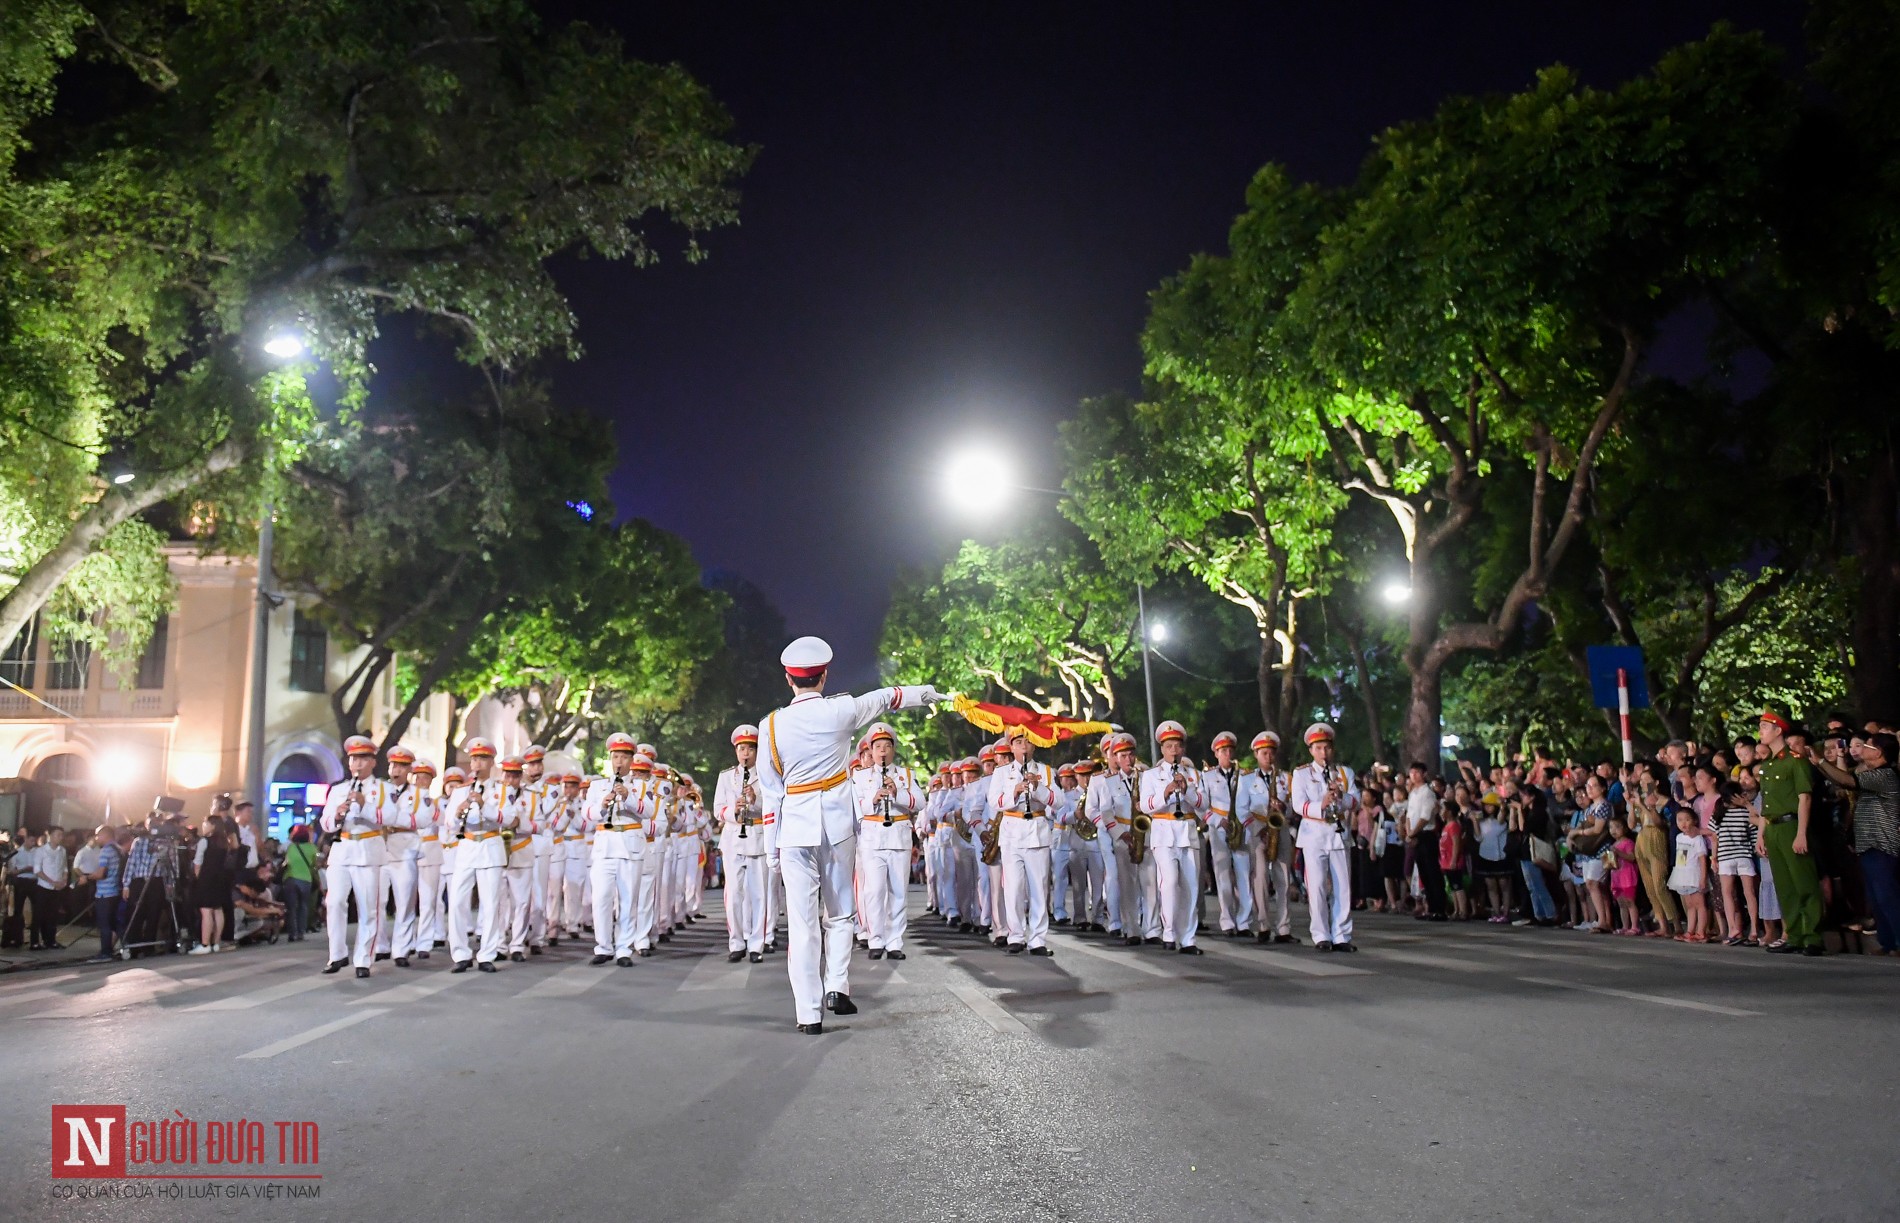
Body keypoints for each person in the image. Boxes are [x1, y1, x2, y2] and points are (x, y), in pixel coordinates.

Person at [753, 636, 945, 1035]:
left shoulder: (769, 725)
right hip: (837, 824)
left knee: (803, 926)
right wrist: (927, 695)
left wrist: (771, 848)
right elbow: (886, 698)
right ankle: (836, 986)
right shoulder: (840, 710)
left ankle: (808, 1013)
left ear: (789, 679)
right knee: (840, 913)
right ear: (823, 677)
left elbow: (770, 792)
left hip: (794, 829)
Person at [1811, 730, 1900, 955]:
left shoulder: (1884, 775)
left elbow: (1847, 780)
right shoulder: (1872, 775)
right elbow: (1842, 780)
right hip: (1868, 844)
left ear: (1878, 752)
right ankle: (1888, 941)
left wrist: (1821, 760)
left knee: (1886, 894)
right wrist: (1821, 766)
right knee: (1875, 897)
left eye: (1867, 746)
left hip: (1883, 844)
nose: (1861, 750)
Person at [318, 736, 394, 977]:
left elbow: (390, 818)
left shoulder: (384, 788)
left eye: (362, 759)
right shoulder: (339, 789)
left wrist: (364, 805)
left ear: (372, 762)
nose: (357, 764)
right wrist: (338, 816)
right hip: (342, 851)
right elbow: (325, 822)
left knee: (368, 908)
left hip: (368, 852)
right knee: (335, 902)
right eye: (353, 759)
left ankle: (363, 959)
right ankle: (337, 954)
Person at [1754, 711, 1824, 956]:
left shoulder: (1795, 760)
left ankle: (1812, 936)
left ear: (1777, 730)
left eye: (1764, 727)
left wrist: (1801, 833)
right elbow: (1765, 805)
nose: (1760, 731)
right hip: (1773, 827)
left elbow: (1804, 798)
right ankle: (1794, 934)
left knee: (1804, 882)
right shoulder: (1767, 764)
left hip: (1792, 825)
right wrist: (1760, 835)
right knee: (1785, 886)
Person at [855, 722, 925, 960]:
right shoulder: (861, 776)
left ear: (893, 749)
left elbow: (920, 802)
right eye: (878, 747)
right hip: (872, 839)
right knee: (874, 891)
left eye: (887, 746)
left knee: (898, 892)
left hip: (898, 838)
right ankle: (875, 939)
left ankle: (894, 941)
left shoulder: (906, 775)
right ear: (871, 751)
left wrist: (897, 793)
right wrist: (873, 799)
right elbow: (854, 807)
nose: (882, 751)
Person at [989, 725, 1058, 955]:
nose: (1024, 747)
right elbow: (994, 802)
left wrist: (1037, 788)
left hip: (1037, 833)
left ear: (1034, 744)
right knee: (1013, 888)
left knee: (1039, 888)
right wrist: (1015, 792)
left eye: (1028, 742)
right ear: (1011, 746)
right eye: (1018, 743)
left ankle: (1037, 939)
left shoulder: (1046, 771)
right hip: (1011, 834)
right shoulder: (1001, 773)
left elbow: (1060, 802)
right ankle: (1016, 936)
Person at [1138, 720, 1207, 953]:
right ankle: (1168, 933)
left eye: (1177, 746)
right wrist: (1165, 792)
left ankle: (1188, 938)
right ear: (1162, 749)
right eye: (1169, 746)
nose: (1174, 751)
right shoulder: (1150, 776)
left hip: (1187, 833)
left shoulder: (1193, 775)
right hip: (1163, 834)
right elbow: (1146, 806)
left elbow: (1204, 805)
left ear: (1183, 749)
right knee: (1169, 883)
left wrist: (1187, 791)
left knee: (1190, 887)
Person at [1291, 723, 1358, 952]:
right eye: (1318, 748)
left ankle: (1342, 935)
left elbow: (1356, 801)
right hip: (1314, 835)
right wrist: (1322, 805)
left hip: (1338, 834)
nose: (1323, 753)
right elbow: (1298, 805)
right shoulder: (1301, 773)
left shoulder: (1344, 773)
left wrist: (1342, 796)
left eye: (1327, 748)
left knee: (1343, 887)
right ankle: (1321, 934)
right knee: (1317, 886)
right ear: (1311, 750)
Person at [445, 738, 508, 974]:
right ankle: (460, 953)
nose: (476, 763)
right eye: (473, 758)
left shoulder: (502, 790)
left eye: (482, 759)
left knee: (490, 903)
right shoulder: (460, 791)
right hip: (467, 847)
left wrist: (485, 806)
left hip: (491, 845)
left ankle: (487, 954)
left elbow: (509, 818)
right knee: (458, 902)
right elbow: (450, 824)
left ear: (491, 762)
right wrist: (459, 811)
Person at [586, 734, 648, 966]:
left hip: (630, 848)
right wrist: (603, 804)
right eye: (615, 757)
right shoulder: (597, 786)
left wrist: (628, 797)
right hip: (604, 848)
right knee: (600, 898)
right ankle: (603, 946)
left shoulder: (640, 785)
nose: (619, 761)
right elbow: (587, 814)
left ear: (632, 760)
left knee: (628, 900)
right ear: (610, 759)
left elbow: (649, 811)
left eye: (624, 757)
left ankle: (624, 948)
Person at [714, 725, 773, 962]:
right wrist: (732, 811)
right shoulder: (726, 777)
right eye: (741, 749)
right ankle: (736, 942)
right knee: (734, 895)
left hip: (757, 837)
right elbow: (718, 809)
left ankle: (756, 945)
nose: (745, 754)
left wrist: (754, 800)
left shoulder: (767, 776)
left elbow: (772, 807)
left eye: (750, 748)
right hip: (733, 840)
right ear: (736, 751)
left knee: (759, 895)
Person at [375, 746, 425, 966]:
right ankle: (380, 945)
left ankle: (402, 950)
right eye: (393, 765)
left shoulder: (418, 794)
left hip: (405, 848)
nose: (396, 770)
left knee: (404, 901)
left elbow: (422, 819)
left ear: (409, 770)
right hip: (379, 848)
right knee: (376, 900)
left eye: (401, 766)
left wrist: (393, 818)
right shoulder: (378, 789)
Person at [1202, 731, 1255, 938]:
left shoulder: (1246, 775)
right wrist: (1216, 820)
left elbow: (1253, 802)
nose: (1227, 754)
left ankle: (1244, 922)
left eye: (1230, 750)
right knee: (1222, 875)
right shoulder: (1207, 776)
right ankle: (1227, 921)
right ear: (1216, 754)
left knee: (1244, 874)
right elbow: (1202, 806)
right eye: (1223, 751)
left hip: (1241, 826)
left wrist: (1246, 823)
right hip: (1219, 827)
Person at [1403, 762, 1448, 921]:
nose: (1414, 775)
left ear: (1424, 774)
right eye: (1411, 772)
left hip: (1426, 834)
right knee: (1423, 872)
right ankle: (1430, 907)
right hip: (1415, 835)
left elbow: (1425, 816)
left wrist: (1414, 833)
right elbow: (1409, 815)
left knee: (1432, 871)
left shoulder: (1427, 793)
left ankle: (1439, 908)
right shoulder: (1412, 793)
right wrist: (1409, 832)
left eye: (1417, 772)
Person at [188, 818, 234, 954]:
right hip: (220, 879)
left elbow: (198, 862)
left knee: (206, 911)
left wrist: (197, 878)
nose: (203, 826)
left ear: (212, 826)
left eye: (206, 823)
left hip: (206, 879)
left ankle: (205, 944)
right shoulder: (224, 843)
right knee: (218, 910)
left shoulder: (204, 841)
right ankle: (216, 943)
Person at [84, 826, 125, 962]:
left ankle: (105, 952)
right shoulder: (119, 849)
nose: (96, 839)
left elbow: (101, 874)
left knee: (104, 925)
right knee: (114, 923)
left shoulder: (105, 851)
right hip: (116, 891)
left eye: (97, 836)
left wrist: (88, 877)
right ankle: (111, 949)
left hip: (104, 893)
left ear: (104, 835)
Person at [1669, 806, 1711, 943]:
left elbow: (1702, 858)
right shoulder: (1679, 837)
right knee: (1690, 905)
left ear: (1694, 821)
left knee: (1700, 904)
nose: (1684, 823)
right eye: (1680, 820)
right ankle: (1690, 930)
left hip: (1694, 874)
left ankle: (1701, 932)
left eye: (1687, 819)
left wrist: (1703, 878)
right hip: (1682, 874)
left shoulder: (1697, 839)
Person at [281, 823, 319, 942]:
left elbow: (287, 861)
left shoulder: (291, 847)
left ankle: (292, 933)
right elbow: (314, 865)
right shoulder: (312, 848)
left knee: (292, 907)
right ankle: (301, 933)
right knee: (303, 906)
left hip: (291, 879)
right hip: (306, 881)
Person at [1607, 817, 1641, 935]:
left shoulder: (1628, 843)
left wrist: (1618, 853)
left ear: (1625, 829)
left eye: (1617, 827)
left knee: (1630, 902)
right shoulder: (1614, 844)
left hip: (1627, 876)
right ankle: (1625, 926)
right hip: (1617, 877)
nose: (1613, 830)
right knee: (1621, 903)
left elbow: (1632, 857)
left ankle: (1635, 926)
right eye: (1611, 827)